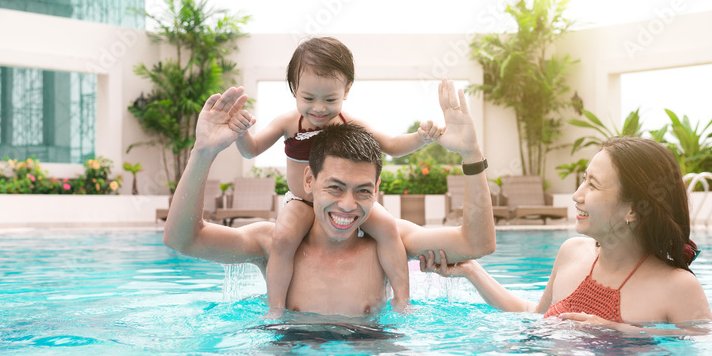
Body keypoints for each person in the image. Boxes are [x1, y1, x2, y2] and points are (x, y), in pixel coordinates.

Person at [163, 80, 496, 317]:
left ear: (377, 189)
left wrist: (471, 153)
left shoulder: (391, 240)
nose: (348, 205)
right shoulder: (274, 243)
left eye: (363, 191)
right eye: (335, 188)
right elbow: (183, 240)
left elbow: (476, 243)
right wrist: (203, 153)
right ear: (309, 181)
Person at [419, 137, 712, 334]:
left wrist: (622, 333)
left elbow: (704, 355)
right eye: (582, 180)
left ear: (632, 210)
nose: (576, 195)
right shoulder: (572, 252)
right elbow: (533, 313)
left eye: (593, 186)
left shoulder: (678, 288)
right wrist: (471, 270)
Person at [230, 37, 440, 310]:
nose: (318, 108)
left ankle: (402, 300)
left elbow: (390, 145)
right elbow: (251, 150)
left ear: (347, 90)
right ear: (294, 89)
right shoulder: (288, 123)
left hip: (344, 201)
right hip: (303, 203)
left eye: (330, 99)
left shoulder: (348, 123)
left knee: (388, 227)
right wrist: (240, 132)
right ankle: (275, 307)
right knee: (282, 238)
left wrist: (420, 138)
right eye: (308, 98)